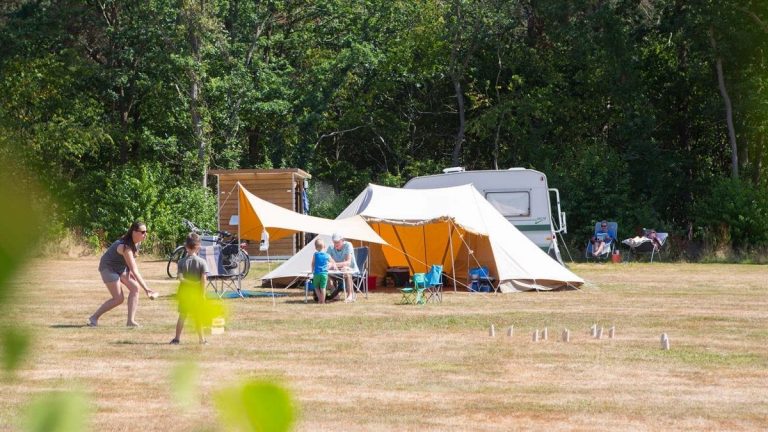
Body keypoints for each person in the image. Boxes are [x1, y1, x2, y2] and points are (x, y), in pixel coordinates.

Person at [88, 221, 157, 327]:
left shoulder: (137, 243)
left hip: (120, 267)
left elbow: (130, 262)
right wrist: (147, 289)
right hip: (108, 267)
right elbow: (135, 270)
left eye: (146, 231)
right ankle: (94, 318)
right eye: (143, 232)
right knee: (118, 298)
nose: (145, 234)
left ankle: (130, 321)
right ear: (134, 232)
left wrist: (128, 271)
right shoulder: (126, 247)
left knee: (134, 288)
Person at [170, 233, 208, 345]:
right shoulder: (202, 262)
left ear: (185, 247)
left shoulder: (181, 262)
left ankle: (177, 338)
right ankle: (202, 340)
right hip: (197, 295)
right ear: (198, 247)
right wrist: (202, 294)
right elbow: (203, 281)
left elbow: (180, 278)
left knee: (182, 316)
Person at [326, 232, 358, 303]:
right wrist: (331, 264)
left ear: (342, 240)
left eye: (337, 242)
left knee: (346, 271)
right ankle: (335, 295)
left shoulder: (348, 245)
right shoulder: (330, 247)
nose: (335, 244)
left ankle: (350, 295)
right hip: (336, 271)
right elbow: (327, 260)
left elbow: (348, 262)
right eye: (334, 242)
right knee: (325, 274)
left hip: (350, 269)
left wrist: (334, 264)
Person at [311, 238, 334, 304]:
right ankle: (323, 301)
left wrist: (312, 270)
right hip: (324, 274)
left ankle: (319, 299)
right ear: (324, 246)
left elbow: (313, 263)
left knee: (316, 287)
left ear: (315, 247)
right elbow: (332, 262)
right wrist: (332, 266)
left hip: (317, 273)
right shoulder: (327, 255)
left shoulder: (315, 254)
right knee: (323, 288)